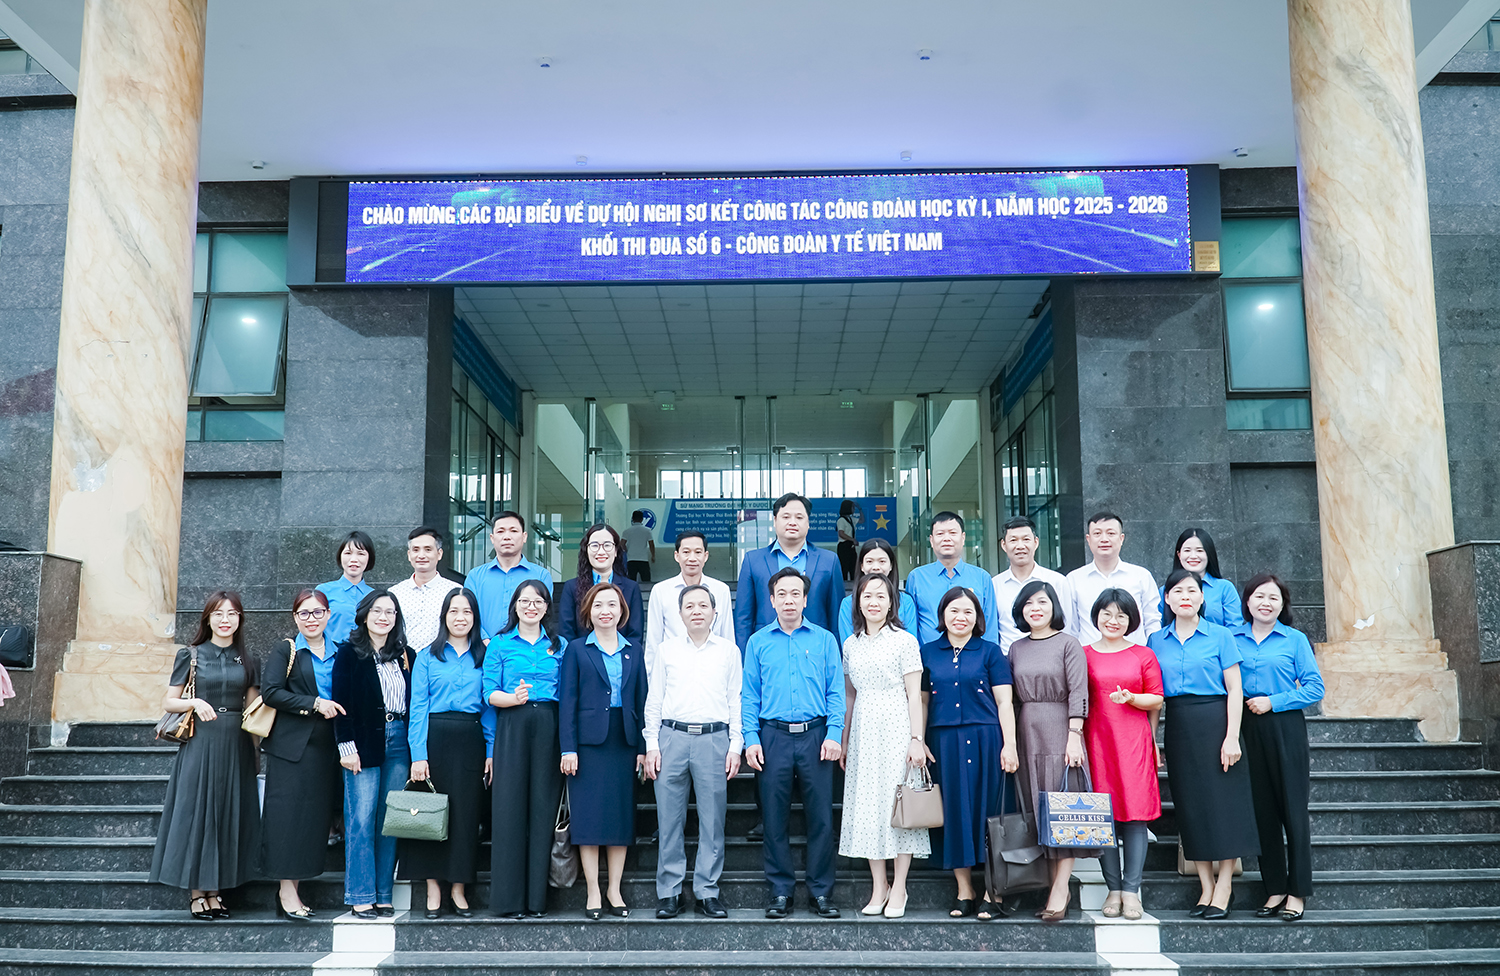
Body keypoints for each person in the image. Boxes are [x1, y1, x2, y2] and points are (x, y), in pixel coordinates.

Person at [1148, 569, 1258, 920]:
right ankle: (1205, 886)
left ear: (1201, 597)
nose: (1185, 596)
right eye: (1177, 591)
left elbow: (1235, 689)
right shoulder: (1156, 640)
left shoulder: (1220, 635)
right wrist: (1151, 738)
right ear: (1167, 599)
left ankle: (1224, 886)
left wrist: (1232, 736)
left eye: (1192, 591)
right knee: (1191, 807)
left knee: (1225, 805)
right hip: (1179, 725)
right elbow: (1154, 696)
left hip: (1216, 720)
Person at [149, 591, 261, 920]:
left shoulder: (249, 659)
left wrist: (256, 752)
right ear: (208, 619)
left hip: (237, 743)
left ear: (240, 619)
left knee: (228, 813)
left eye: (232, 614)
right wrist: (195, 702)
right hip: (200, 741)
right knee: (199, 812)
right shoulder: (191, 654)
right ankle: (198, 893)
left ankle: (217, 891)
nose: (225, 620)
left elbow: (253, 709)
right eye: (218, 614)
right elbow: (169, 701)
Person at [742, 567, 846, 920]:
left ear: (805, 599)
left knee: (821, 820)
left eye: (795, 594)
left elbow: (836, 692)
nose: (789, 600)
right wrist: (751, 738)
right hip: (773, 736)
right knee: (774, 820)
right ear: (771, 601)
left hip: (816, 736)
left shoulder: (825, 640)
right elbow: (749, 695)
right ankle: (780, 891)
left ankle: (821, 892)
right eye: (782, 594)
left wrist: (834, 734)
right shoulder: (758, 642)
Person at [643, 584, 743, 920]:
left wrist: (736, 745)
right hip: (671, 737)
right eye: (689, 606)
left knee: (712, 820)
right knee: (669, 820)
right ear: (680, 613)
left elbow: (735, 700)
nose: (696, 611)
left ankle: (707, 891)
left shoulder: (729, 651)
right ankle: (670, 892)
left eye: (703, 605)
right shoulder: (666, 650)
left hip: (714, 739)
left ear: (715, 612)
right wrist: (652, 744)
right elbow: (654, 700)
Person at [919, 586, 1017, 920]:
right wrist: (919, 739)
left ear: (978, 618)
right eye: (954, 611)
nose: (960, 618)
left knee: (990, 811)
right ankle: (964, 889)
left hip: (987, 739)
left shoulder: (990, 652)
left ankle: (993, 890)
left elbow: (1004, 702)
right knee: (954, 811)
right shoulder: (928, 652)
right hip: (943, 742)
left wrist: (1010, 744)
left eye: (968, 612)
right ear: (942, 615)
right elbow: (922, 702)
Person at [1234, 573, 1324, 923]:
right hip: (1245, 727)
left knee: (1292, 809)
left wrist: (1274, 701)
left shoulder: (1294, 640)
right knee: (1262, 811)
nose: (1266, 603)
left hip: (1284, 726)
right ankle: (1274, 888)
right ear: (1247, 601)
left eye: (1273, 597)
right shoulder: (1232, 638)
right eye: (1259, 596)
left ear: (1283, 604)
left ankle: (1297, 892)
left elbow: (1315, 688)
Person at [838, 572, 929, 918]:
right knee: (868, 808)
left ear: (892, 603)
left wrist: (917, 740)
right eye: (867, 596)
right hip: (863, 729)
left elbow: (914, 696)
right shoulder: (851, 644)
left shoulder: (905, 641)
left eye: (881, 596)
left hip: (896, 727)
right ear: (857, 602)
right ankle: (880, 885)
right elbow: (850, 695)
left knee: (898, 806)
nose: (873, 602)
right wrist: (845, 738)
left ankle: (900, 886)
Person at [405, 587, 495, 918]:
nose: (460, 617)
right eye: (454, 611)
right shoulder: (428, 656)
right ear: (444, 616)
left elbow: (489, 708)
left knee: (465, 816)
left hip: (471, 738)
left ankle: (458, 888)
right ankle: (433, 889)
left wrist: (491, 749)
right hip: (435, 737)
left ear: (475, 617)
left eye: (467, 612)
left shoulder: (484, 655)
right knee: (430, 813)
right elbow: (418, 707)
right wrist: (418, 754)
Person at [560, 583, 648, 920]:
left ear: (622, 611)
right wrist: (568, 748)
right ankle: (594, 891)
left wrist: (642, 748)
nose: (605, 611)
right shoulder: (577, 649)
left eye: (612, 604)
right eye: (598, 605)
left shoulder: (634, 650)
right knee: (588, 819)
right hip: (587, 745)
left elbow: (642, 699)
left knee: (619, 818)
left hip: (623, 742)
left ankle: (615, 889)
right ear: (589, 612)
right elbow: (568, 702)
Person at [1009, 580, 1095, 921]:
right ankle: (1046, 881)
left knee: (1064, 804)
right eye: (1029, 603)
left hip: (1061, 727)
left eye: (1042, 602)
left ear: (1054, 607)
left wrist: (1074, 734)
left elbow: (1079, 691)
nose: (1036, 609)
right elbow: (1011, 698)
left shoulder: (1068, 644)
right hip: (1026, 729)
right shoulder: (1016, 648)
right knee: (1035, 805)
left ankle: (1061, 887)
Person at [260, 589, 346, 921]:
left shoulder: (340, 651)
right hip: (291, 748)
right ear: (295, 617)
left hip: (327, 749)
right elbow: (271, 692)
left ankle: (296, 887)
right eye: (304, 613)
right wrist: (314, 704)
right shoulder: (287, 649)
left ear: (328, 615)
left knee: (311, 822)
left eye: (317, 612)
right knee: (287, 820)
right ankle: (286, 890)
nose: (311, 619)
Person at [484, 578, 565, 918]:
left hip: (548, 725)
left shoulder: (559, 645)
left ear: (546, 608)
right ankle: (509, 901)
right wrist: (512, 698)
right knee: (509, 810)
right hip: (512, 725)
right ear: (515, 606)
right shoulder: (500, 643)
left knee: (543, 810)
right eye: (525, 601)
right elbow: (489, 692)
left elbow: (567, 691)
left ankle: (536, 901)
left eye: (538, 602)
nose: (531, 607)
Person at [1081, 588, 1164, 921]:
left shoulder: (1143, 655)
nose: (1113, 620)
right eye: (1107, 614)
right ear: (1096, 616)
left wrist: (1130, 697)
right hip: (1096, 742)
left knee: (1134, 815)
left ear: (1132, 620)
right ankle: (1113, 888)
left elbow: (1156, 698)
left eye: (1121, 615)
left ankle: (1131, 890)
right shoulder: (1083, 654)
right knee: (1103, 816)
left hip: (1133, 741)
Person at [334, 589, 413, 919]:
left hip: (399, 741)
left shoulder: (405, 654)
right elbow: (341, 703)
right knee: (361, 819)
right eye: (377, 611)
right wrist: (346, 747)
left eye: (390, 612)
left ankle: (383, 894)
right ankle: (361, 895)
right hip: (363, 743)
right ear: (364, 615)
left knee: (388, 821)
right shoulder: (349, 653)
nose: (384, 617)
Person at [734, 493, 844, 650]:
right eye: (786, 517)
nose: (792, 522)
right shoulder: (753, 561)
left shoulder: (829, 561)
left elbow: (836, 616)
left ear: (808, 523)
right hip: (767, 650)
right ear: (775, 521)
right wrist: (745, 657)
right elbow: (743, 618)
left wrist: (836, 654)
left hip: (815, 650)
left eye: (799, 517)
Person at [644, 530, 734, 676]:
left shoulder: (721, 590)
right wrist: (651, 679)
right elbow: (653, 642)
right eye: (686, 552)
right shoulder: (661, 591)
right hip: (673, 672)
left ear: (705, 556)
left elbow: (728, 636)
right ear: (676, 556)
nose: (692, 558)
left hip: (713, 671)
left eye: (698, 552)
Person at [1065, 512, 1162, 646]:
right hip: (1089, 656)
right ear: (1088, 539)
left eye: (1111, 533)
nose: (1104, 539)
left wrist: (1151, 651)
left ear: (1121, 538)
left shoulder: (1141, 576)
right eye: (1097, 533)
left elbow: (1152, 620)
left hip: (1134, 654)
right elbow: (1072, 627)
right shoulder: (1074, 579)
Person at [907, 512, 999, 645]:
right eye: (940, 534)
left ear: (963, 538)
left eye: (952, 533)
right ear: (931, 540)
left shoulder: (982, 577)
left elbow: (990, 625)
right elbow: (912, 623)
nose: (946, 538)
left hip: (973, 655)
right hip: (928, 655)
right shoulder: (916, 577)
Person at [464, 511, 551, 641]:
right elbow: (467, 613)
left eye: (513, 531)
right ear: (492, 538)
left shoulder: (541, 575)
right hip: (482, 648)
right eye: (500, 531)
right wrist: (485, 641)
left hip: (526, 648)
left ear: (524, 537)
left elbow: (543, 613)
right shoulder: (475, 576)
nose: (507, 537)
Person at [992, 515, 1072, 655]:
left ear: (1036, 542)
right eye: (1013, 540)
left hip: (1049, 658)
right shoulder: (994, 585)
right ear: (1003, 545)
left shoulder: (1057, 581)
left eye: (1026, 539)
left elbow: (1066, 626)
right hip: (1007, 659)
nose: (1020, 546)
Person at [558, 523, 644, 646]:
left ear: (616, 551)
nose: (601, 551)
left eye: (607, 545)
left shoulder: (632, 588)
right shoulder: (571, 587)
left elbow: (635, 635)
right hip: (581, 657)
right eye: (594, 545)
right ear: (586, 550)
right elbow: (566, 633)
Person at [390, 527, 460, 655]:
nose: (421, 555)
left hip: (442, 661)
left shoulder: (455, 592)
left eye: (428, 549)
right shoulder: (395, 593)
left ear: (439, 554)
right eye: (416, 550)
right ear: (409, 555)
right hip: (404, 661)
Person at [836, 538, 919, 644]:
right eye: (869, 561)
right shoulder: (848, 603)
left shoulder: (906, 601)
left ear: (891, 565)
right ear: (862, 566)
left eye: (882, 561)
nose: (876, 567)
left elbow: (911, 642)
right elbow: (848, 645)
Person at [1157, 528, 1241, 628]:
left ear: (1209, 554)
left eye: (1200, 550)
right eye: (1187, 550)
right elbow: (1158, 626)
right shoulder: (1165, 590)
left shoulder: (1225, 588)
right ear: (1179, 555)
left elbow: (1234, 628)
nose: (1193, 556)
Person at [318, 530, 375, 645]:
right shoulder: (323, 591)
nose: (354, 559)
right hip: (331, 654)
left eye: (361, 554)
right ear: (340, 556)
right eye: (348, 553)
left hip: (365, 654)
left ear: (369, 558)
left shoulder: (374, 596)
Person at [621, 510, 656, 582]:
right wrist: (653, 556)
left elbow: (622, 544)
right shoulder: (647, 531)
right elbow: (651, 544)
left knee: (631, 582)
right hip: (643, 559)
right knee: (646, 581)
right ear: (642, 519)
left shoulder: (627, 531)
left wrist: (626, 550)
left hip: (631, 559)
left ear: (632, 519)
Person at [836, 499, 860, 581]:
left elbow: (862, 520)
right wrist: (852, 539)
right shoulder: (841, 520)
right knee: (844, 567)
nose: (854, 509)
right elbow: (841, 533)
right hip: (844, 546)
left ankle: (853, 583)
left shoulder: (851, 519)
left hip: (851, 546)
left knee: (853, 566)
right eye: (852, 507)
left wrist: (860, 509)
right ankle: (844, 584)